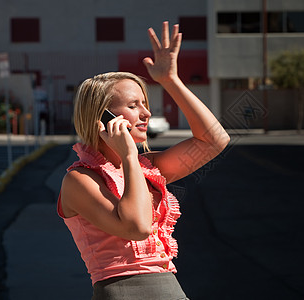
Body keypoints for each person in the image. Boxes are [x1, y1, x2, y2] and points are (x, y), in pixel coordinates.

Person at [57, 22, 230, 299]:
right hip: (122, 291)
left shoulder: (148, 167)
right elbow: (136, 228)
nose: (146, 113)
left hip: (170, 288)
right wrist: (127, 155)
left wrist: (170, 80)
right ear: (103, 118)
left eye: (145, 103)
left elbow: (214, 141)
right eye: (133, 105)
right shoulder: (79, 180)